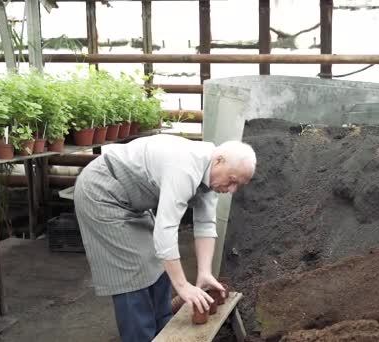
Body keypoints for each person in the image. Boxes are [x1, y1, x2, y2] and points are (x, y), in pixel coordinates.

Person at [73, 133, 256, 342]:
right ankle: (139, 337)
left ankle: (163, 331)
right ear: (219, 160)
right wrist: (182, 286)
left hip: (133, 200)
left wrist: (204, 273)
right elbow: (166, 229)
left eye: (238, 185)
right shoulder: (186, 167)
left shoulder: (212, 173)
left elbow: (205, 224)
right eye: (232, 181)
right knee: (131, 274)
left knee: (157, 262)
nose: (232, 190)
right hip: (103, 192)